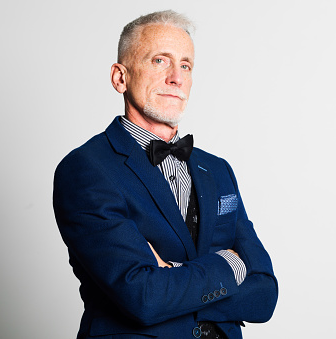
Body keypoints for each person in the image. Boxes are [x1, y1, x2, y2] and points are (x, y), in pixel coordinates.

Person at [53, 10, 278, 339]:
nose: (177, 77)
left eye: (186, 65)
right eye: (160, 60)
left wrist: (172, 274)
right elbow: (144, 297)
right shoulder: (87, 169)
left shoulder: (218, 170)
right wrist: (229, 267)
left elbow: (264, 296)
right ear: (120, 78)